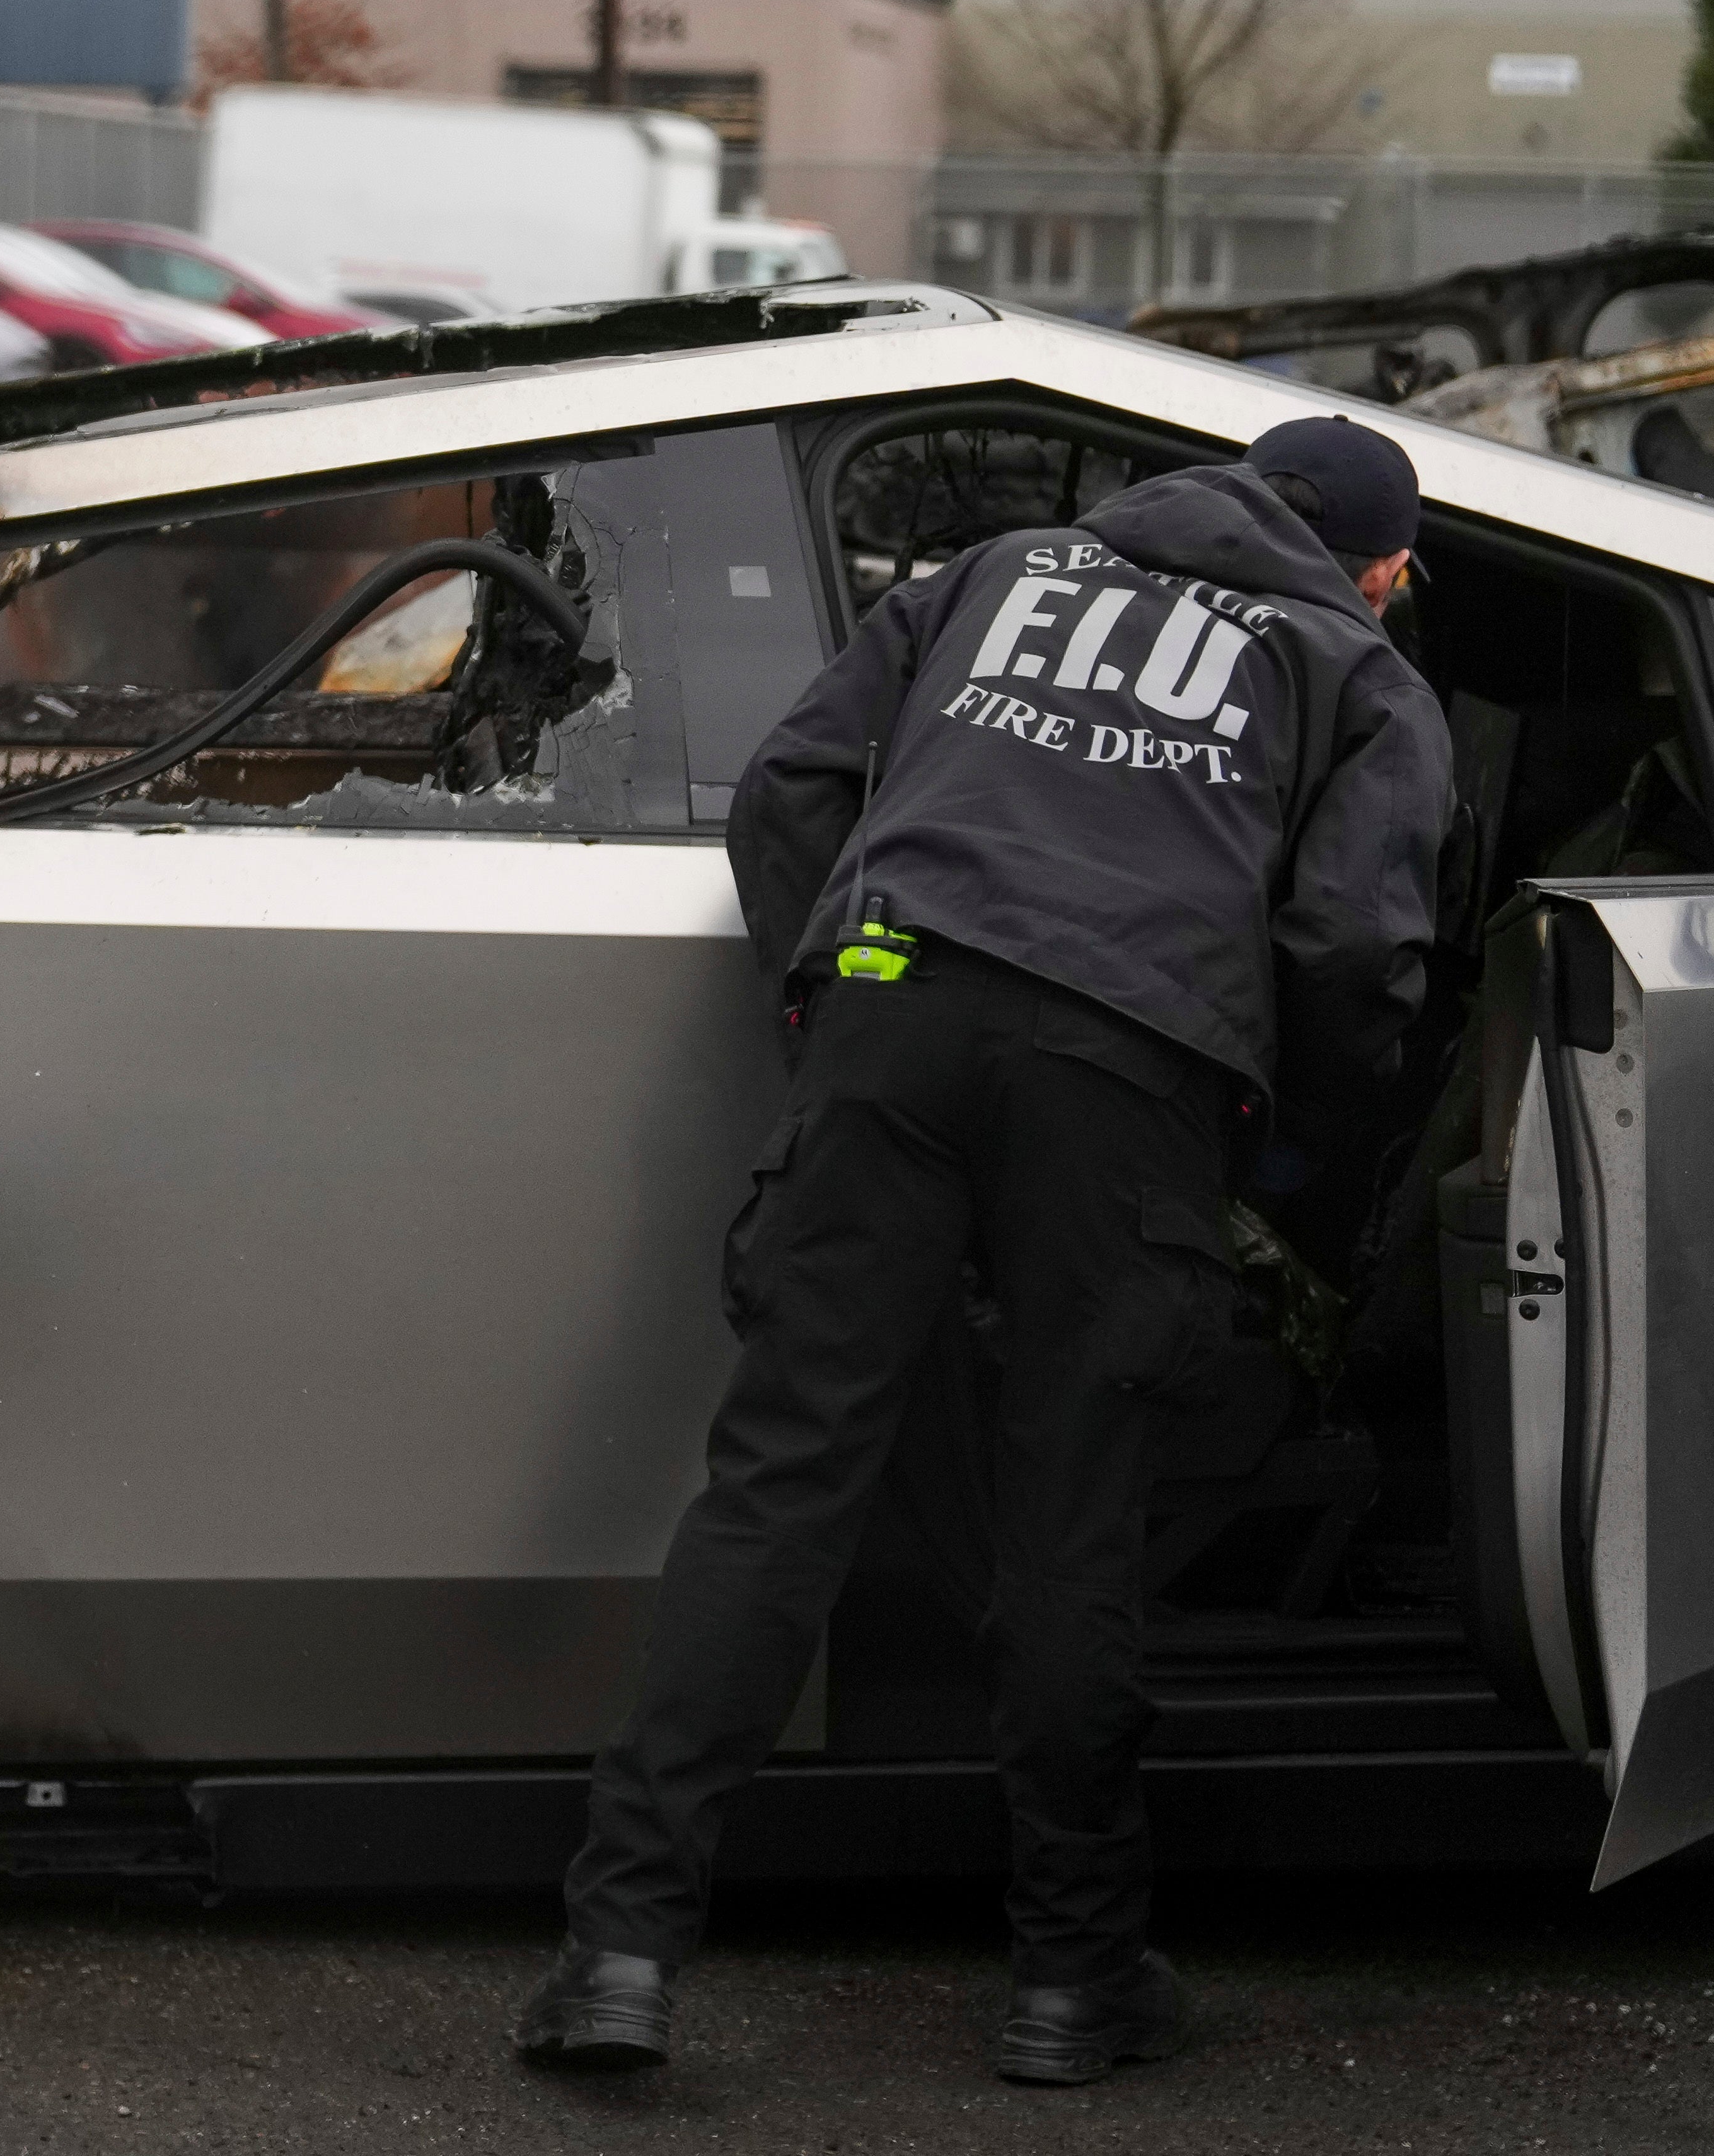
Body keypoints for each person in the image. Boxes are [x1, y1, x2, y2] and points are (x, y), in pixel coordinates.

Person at [517, 415, 1452, 2087]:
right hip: (1128, 1078)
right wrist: (1286, 1137)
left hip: (895, 1007)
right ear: (1380, 569)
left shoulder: (996, 574)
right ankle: (1071, 1982)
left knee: (778, 1485)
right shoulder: (1355, 671)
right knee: (1068, 1523)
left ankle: (621, 1958)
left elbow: (797, 785)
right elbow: (1359, 950)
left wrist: (842, 1005)